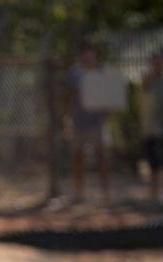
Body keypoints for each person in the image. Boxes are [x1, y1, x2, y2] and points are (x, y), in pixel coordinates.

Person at [67, 43, 110, 205]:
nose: (87, 57)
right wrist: (67, 118)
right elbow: (70, 95)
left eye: (90, 54)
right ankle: (79, 193)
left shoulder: (103, 72)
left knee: (101, 157)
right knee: (78, 157)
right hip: (79, 122)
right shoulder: (75, 73)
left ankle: (105, 193)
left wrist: (107, 114)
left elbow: (110, 98)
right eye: (84, 54)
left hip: (97, 123)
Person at [140, 49, 163, 205]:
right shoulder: (147, 79)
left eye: (160, 62)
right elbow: (144, 84)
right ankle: (153, 198)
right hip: (150, 129)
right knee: (153, 166)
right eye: (156, 62)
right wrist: (153, 65)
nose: (158, 65)